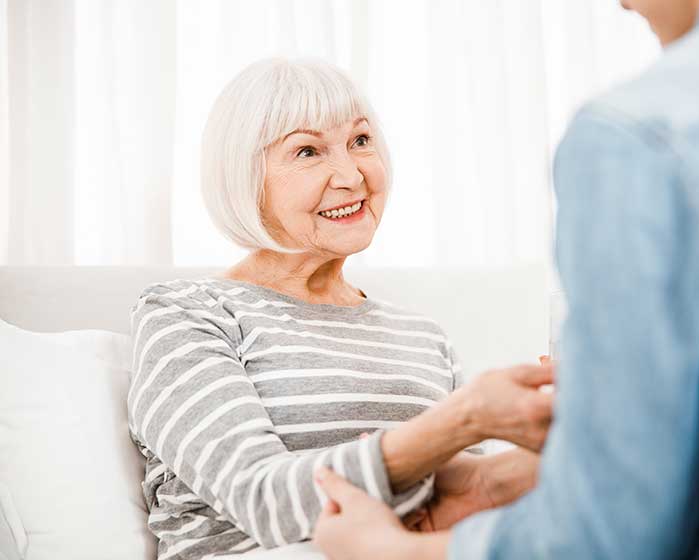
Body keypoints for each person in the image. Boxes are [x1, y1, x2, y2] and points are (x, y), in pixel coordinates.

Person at [312, 0, 699, 558]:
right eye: (306, 150)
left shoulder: (645, 134)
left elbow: (610, 536)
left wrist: (392, 552)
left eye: (363, 142)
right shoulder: (212, 314)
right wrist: (504, 476)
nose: (621, 3)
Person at [126, 58, 553, 560]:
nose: (352, 176)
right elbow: (264, 502)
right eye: (307, 151)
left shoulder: (421, 336)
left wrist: (565, 440)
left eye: (361, 141)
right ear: (244, 178)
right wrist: (464, 419)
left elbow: (458, 510)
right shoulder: (186, 315)